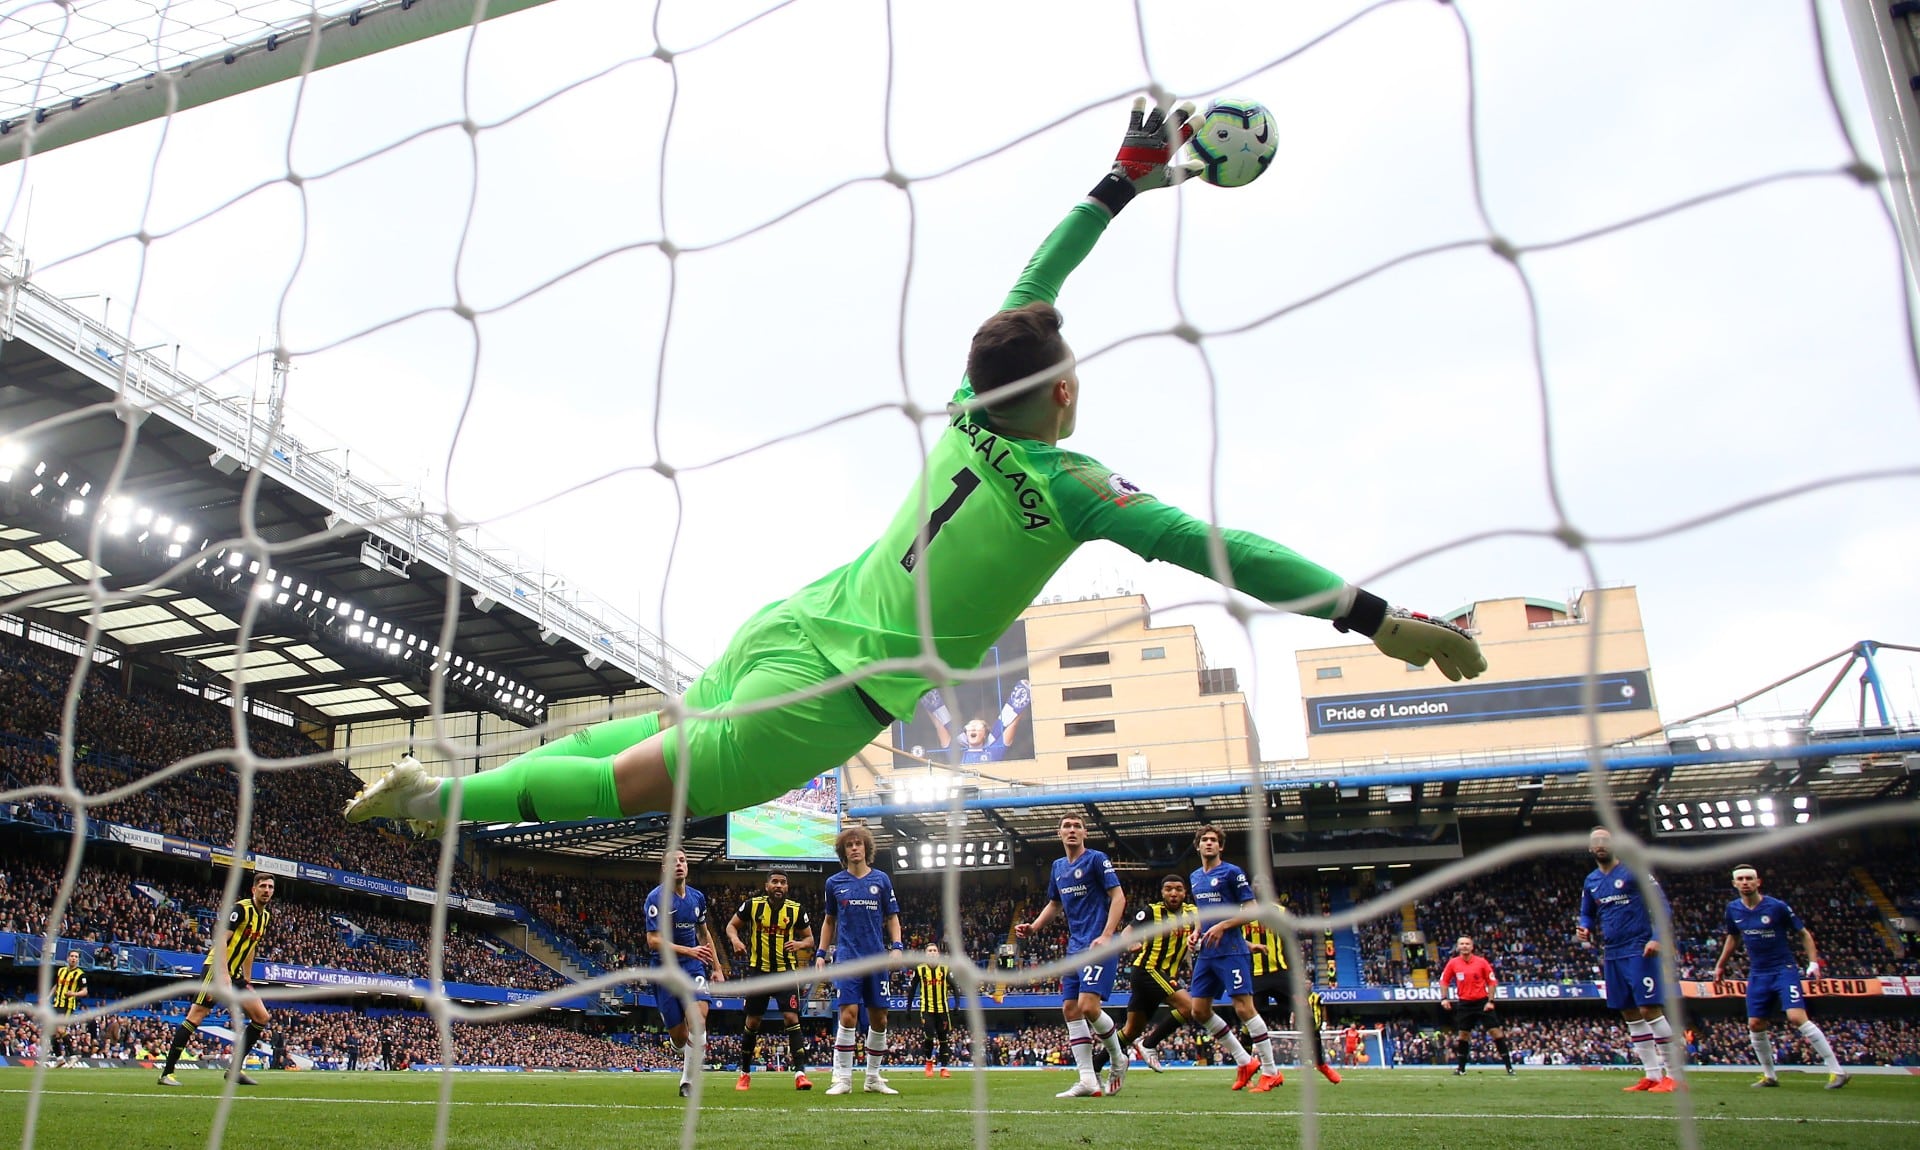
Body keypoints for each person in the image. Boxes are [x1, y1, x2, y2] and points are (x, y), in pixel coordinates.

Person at [342, 99, 1486, 835]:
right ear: (1069, 392)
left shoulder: (965, 406)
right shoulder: (1079, 492)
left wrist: (1124, 178)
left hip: (790, 622)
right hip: (832, 694)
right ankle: (444, 802)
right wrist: (1375, 618)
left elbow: (1036, 279)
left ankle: (446, 781)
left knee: (649, 737)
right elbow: (1228, 549)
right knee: (638, 786)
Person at [1016, 814, 1129, 1098]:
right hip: (1075, 948)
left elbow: (1119, 897)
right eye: (1067, 826)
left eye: (1077, 826)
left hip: (1098, 944)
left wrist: (1106, 935)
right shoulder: (1057, 867)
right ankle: (1088, 1080)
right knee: (1070, 1009)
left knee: (1088, 1006)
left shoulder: (1096, 859)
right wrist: (1034, 927)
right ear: (1059, 833)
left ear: (1085, 833)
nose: (1072, 830)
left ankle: (1118, 1058)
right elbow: (1054, 904)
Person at [1709, 863, 1848, 1089]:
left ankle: (1836, 1070)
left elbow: (1803, 933)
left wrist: (1813, 962)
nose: (1745, 882)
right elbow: (1733, 937)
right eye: (1740, 879)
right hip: (1758, 973)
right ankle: (1769, 1075)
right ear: (1734, 884)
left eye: (1749, 878)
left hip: (1783, 969)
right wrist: (1720, 965)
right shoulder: (1732, 909)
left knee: (1795, 1017)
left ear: (1758, 881)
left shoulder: (1777, 907)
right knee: (1755, 1023)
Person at [1577, 827, 1679, 1092]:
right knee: (1630, 1013)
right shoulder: (1591, 881)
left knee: (1649, 1009)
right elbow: (1587, 913)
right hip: (1613, 952)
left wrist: (1657, 937)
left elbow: (1662, 905)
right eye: (1595, 841)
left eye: (1605, 841)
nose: (1600, 845)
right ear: (1590, 848)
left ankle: (1675, 1076)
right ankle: (1653, 1075)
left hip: (1639, 947)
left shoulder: (1634, 871)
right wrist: (1584, 926)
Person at [1187, 825, 1283, 1093]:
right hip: (1207, 953)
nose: (1208, 844)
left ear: (1221, 847)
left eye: (1213, 840)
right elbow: (1201, 912)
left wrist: (1224, 925)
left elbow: (1252, 911)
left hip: (1231, 950)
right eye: (1204, 840)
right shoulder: (1194, 877)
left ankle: (1271, 1072)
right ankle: (1244, 1061)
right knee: (1199, 1010)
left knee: (1243, 1008)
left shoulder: (1232, 872)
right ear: (1197, 846)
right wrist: (1195, 933)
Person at [159, 871, 277, 1087]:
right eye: (263, 886)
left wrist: (247, 978)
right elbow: (222, 940)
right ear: (254, 889)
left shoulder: (265, 917)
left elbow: (251, 946)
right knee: (196, 1017)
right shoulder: (241, 909)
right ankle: (167, 1073)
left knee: (261, 1017)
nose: (267, 890)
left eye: (270, 887)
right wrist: (223, 975)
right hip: (217, 970)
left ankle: (234, 1070)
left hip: (237, 975)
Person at [815, 825, 905, 1096]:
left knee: (880, 1019)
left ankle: (873, 1077)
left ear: (866, 848)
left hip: (876, 958)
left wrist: (897, 947)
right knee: (849, 1015)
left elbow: (892, 917)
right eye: (849, 845)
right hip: (847, 958)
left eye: (858, 844)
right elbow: (829, 920)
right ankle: (842, 1078)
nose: (854, 848)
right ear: (843, 851)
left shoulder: (881, 880)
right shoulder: (834, 883)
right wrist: (821, 953)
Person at [725, 870, 816, 1091]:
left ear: (787, 887)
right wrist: (735, 941)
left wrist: (800, 944)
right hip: (760, 972)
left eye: (783, 882)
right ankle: (745, 1073)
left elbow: (810, 939)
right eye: (774, 882)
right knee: (753, 1022)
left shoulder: (796, 910)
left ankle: (800, 1074)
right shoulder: (753, 906)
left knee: (791, 1017)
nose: (778, 886)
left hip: (786, 972)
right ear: (767, 886)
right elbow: (731, 926)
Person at [646, 849, 726, 1099]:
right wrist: (688, 950)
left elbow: (703, 933)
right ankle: (679, 1044)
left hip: (693, 968)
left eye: (682, 860)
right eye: (672, 862)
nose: (679, 865)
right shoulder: (656, 898)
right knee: (679, 1038)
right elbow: (653, 941)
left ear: (687, 866)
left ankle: (688, 1082)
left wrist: (717, 967)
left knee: (699, 1017)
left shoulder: (697, 898)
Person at [1245, 906, 1341, 1083]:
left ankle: (1321, 1063)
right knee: (1248, 1023)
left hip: (1283, 974)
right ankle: (1245, 1070)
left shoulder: (1280, 912)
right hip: (1255, 975)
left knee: (1308, 1017)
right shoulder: (1241, 912)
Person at [1115, 873, 1198, 1073]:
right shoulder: (1152, 911)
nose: (1173, 893)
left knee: (1130, 1031)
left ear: (1185, 892)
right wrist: (1131, 943)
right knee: (1189, 1007)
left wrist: (1197, 934)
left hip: (1164, 976)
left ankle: (1094, 1064)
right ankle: (1149, 1044)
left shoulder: (1192, 912)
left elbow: (1202, 922)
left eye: (1178, 889)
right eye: (1168, 889)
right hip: (1147, 970)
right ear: (1162, 892)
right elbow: (1126, 933)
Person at [1438, 936, 1513, 1076]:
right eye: (1462, 944)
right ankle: (1461, 1068)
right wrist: (1444, 998)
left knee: (1496, 1032)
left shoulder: (1481, 962)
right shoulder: (1453, 963)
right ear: (1458, 947)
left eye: (1467, 944)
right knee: (1463, 1035)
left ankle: (1509, 1067)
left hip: (1482, 1002)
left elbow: (1491, 981)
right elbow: (1444, 981)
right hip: (1464, 1003)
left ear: (1472, 947)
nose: (1464, 946)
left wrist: (1490, 1001)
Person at [910, 943, 956, 1076]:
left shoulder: (945, 968)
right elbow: (913, 989)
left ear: (938, 953)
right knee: (929, 1037)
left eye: (934, 950)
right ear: (926, 953)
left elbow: (954, 986)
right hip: (927, 1009)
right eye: (929, 950)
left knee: (943, 1038)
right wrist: (908, 1008)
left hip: (942, 1010)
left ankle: (944, 1068)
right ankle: (929, 1062)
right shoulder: (920, 969)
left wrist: (957, 1004)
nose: (932, 952)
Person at [50, 949, 87, 1067]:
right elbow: (56, 985)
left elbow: (85, 991)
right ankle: (60, 1058)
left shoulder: (80, 974)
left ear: (78, 959)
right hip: (57, 1004)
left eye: (76, 957)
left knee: (60, 1030)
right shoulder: (61, 970)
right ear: (67, 958)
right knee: (52, 1033)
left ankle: (73, 1056)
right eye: (72, 956)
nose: (73, 958)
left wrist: (74, 994)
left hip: (68, 1005)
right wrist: (47, 997)